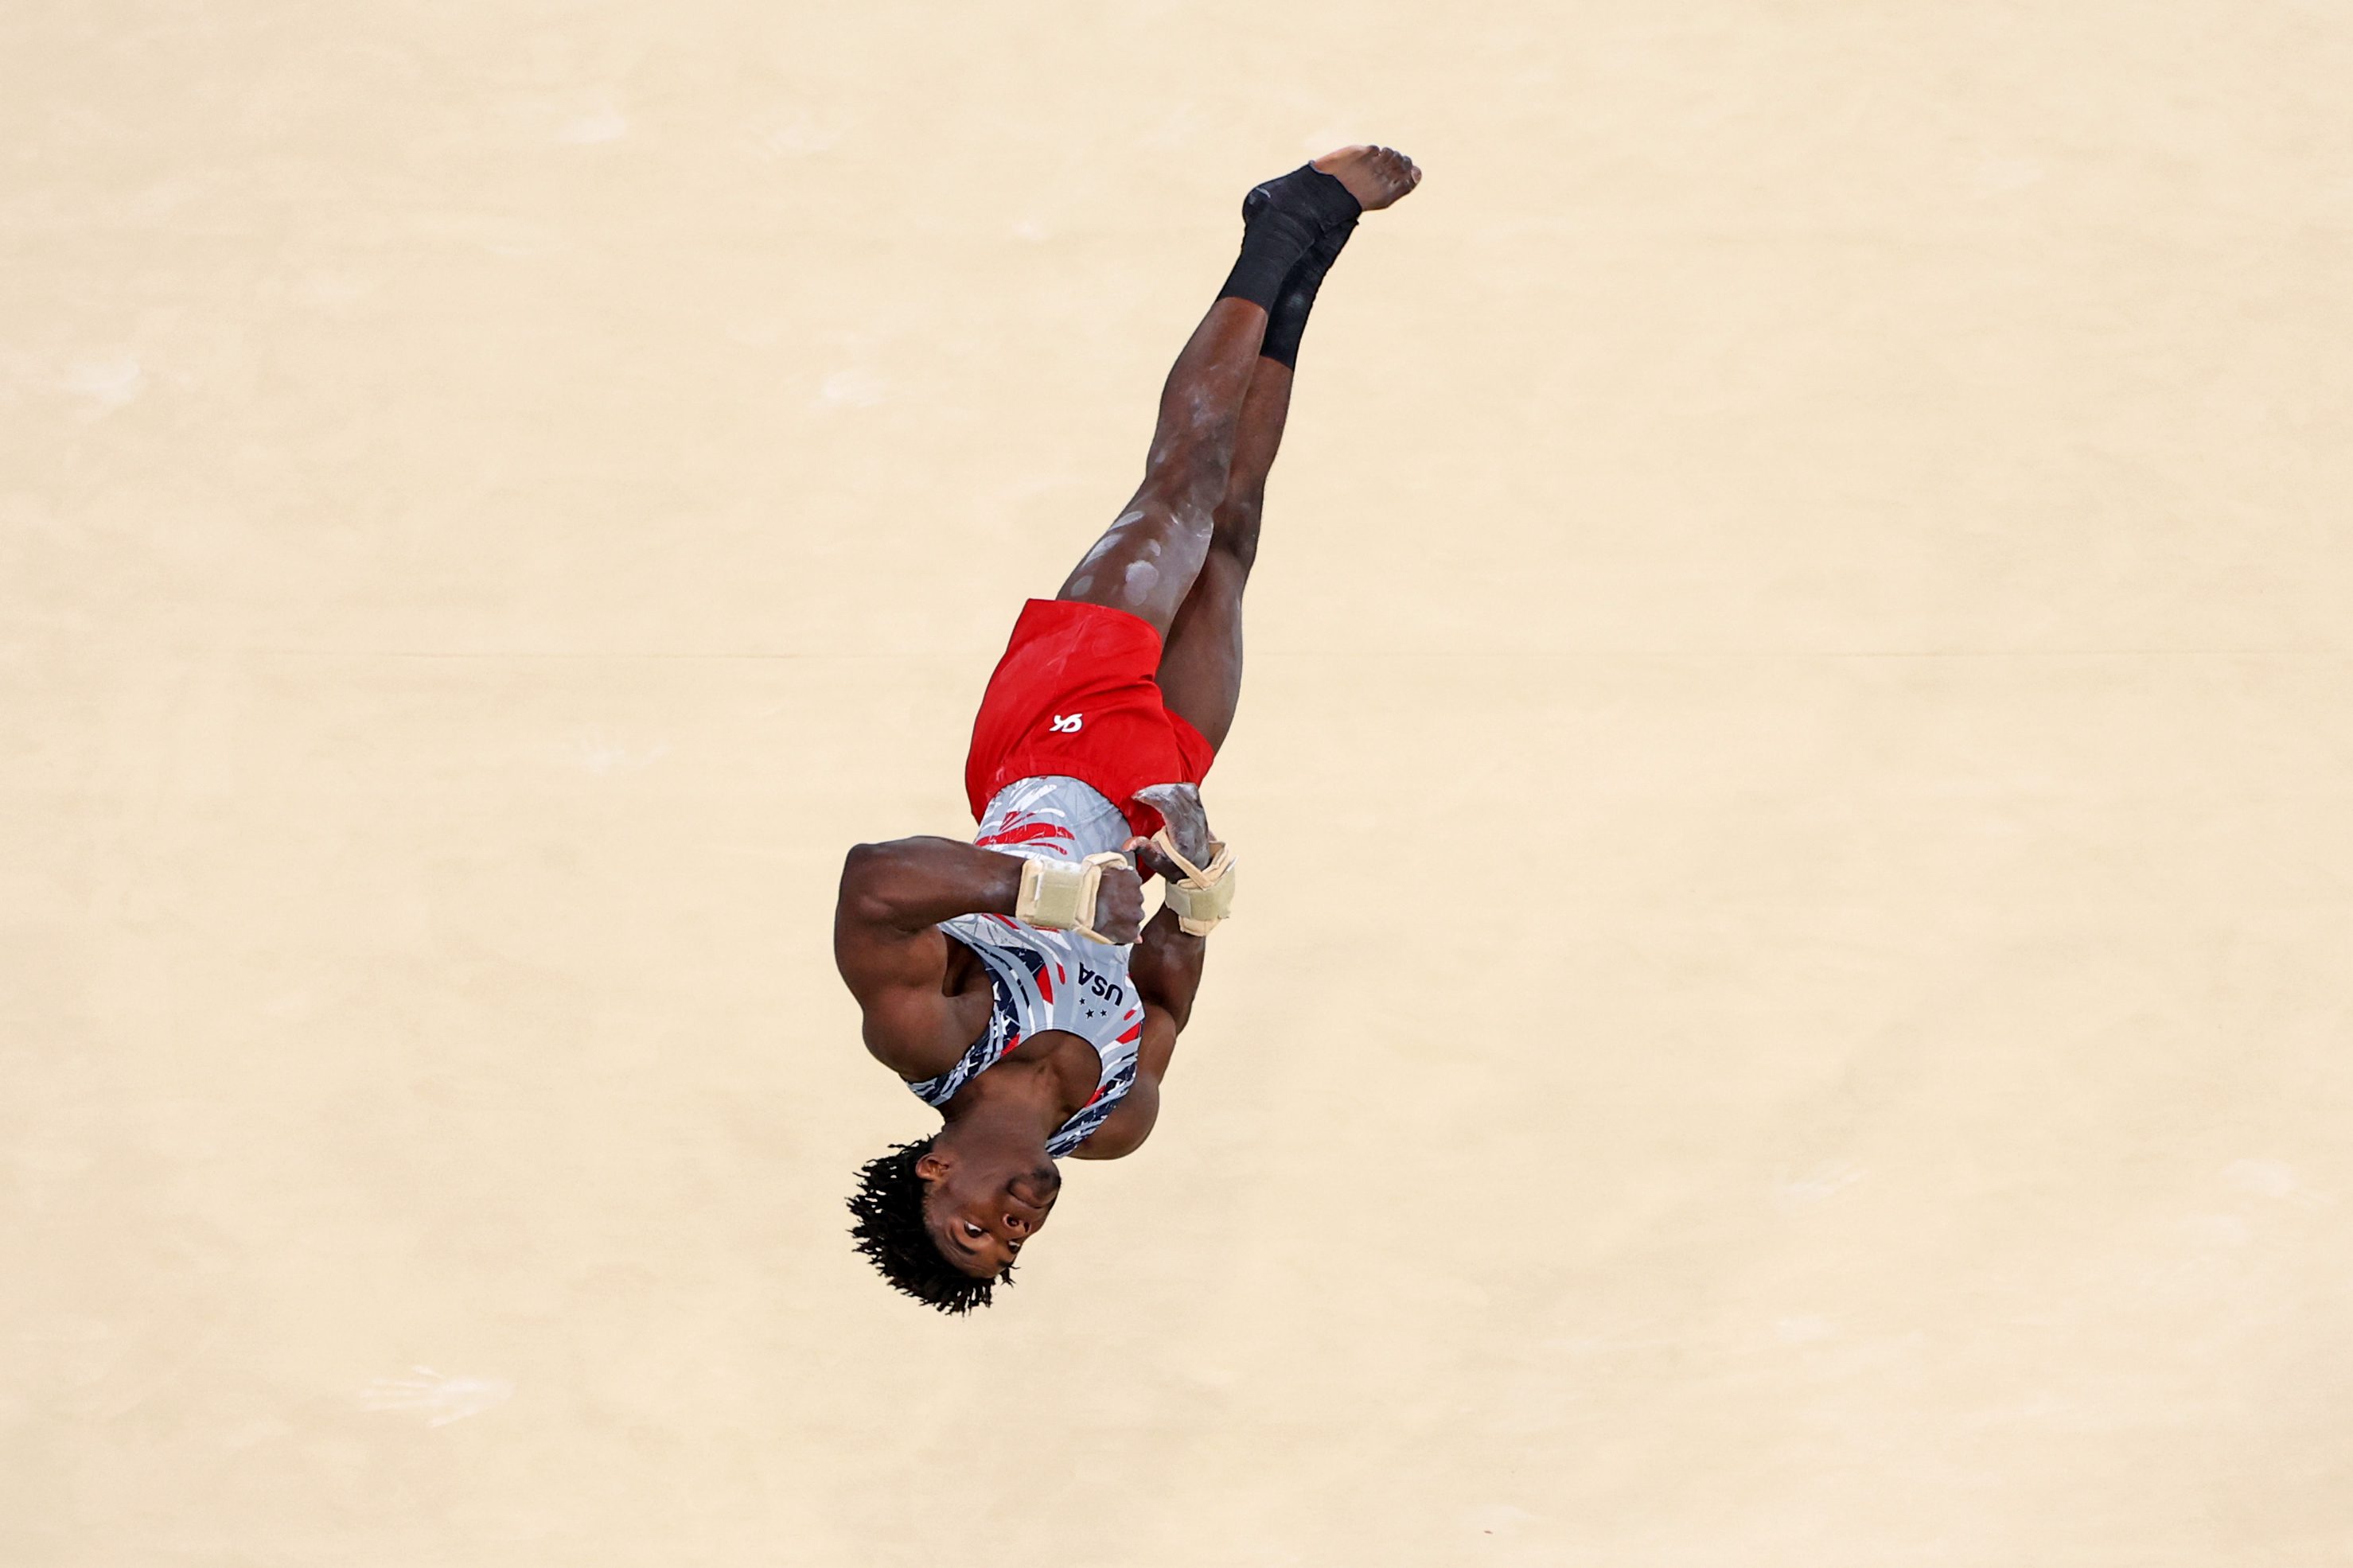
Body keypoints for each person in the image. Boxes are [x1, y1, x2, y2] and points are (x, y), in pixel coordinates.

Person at [834, 146, 1422, 1313]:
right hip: (1158, 788)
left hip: (1045, 748)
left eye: (973, 1226)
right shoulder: (1115, 1123)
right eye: (1014, 1244)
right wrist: (1197, 890)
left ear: (931, 1170)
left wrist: (1041, 897)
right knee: (1234, 542)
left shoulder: (928, 1034)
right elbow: (1164, 995)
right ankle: (1303, 279)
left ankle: (1283, 221)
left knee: (1179, 495)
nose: (1010, 1220)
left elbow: (873, 884)